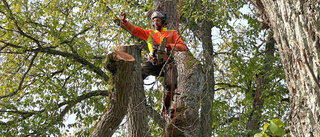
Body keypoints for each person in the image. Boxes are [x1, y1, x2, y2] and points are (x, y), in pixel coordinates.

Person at [121, 11, 187, 113]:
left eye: (158, 20)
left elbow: (183, 47)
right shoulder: (150, 34)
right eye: (154, 21)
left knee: (171, 83)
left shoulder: (171, 33)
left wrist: (170, 46)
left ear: (163, 21)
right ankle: (130, 94)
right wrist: (125, 22)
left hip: (167, 62)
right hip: (153, 62)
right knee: (138, 73)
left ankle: (166, 107)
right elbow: (136, 31)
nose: (156, 23)